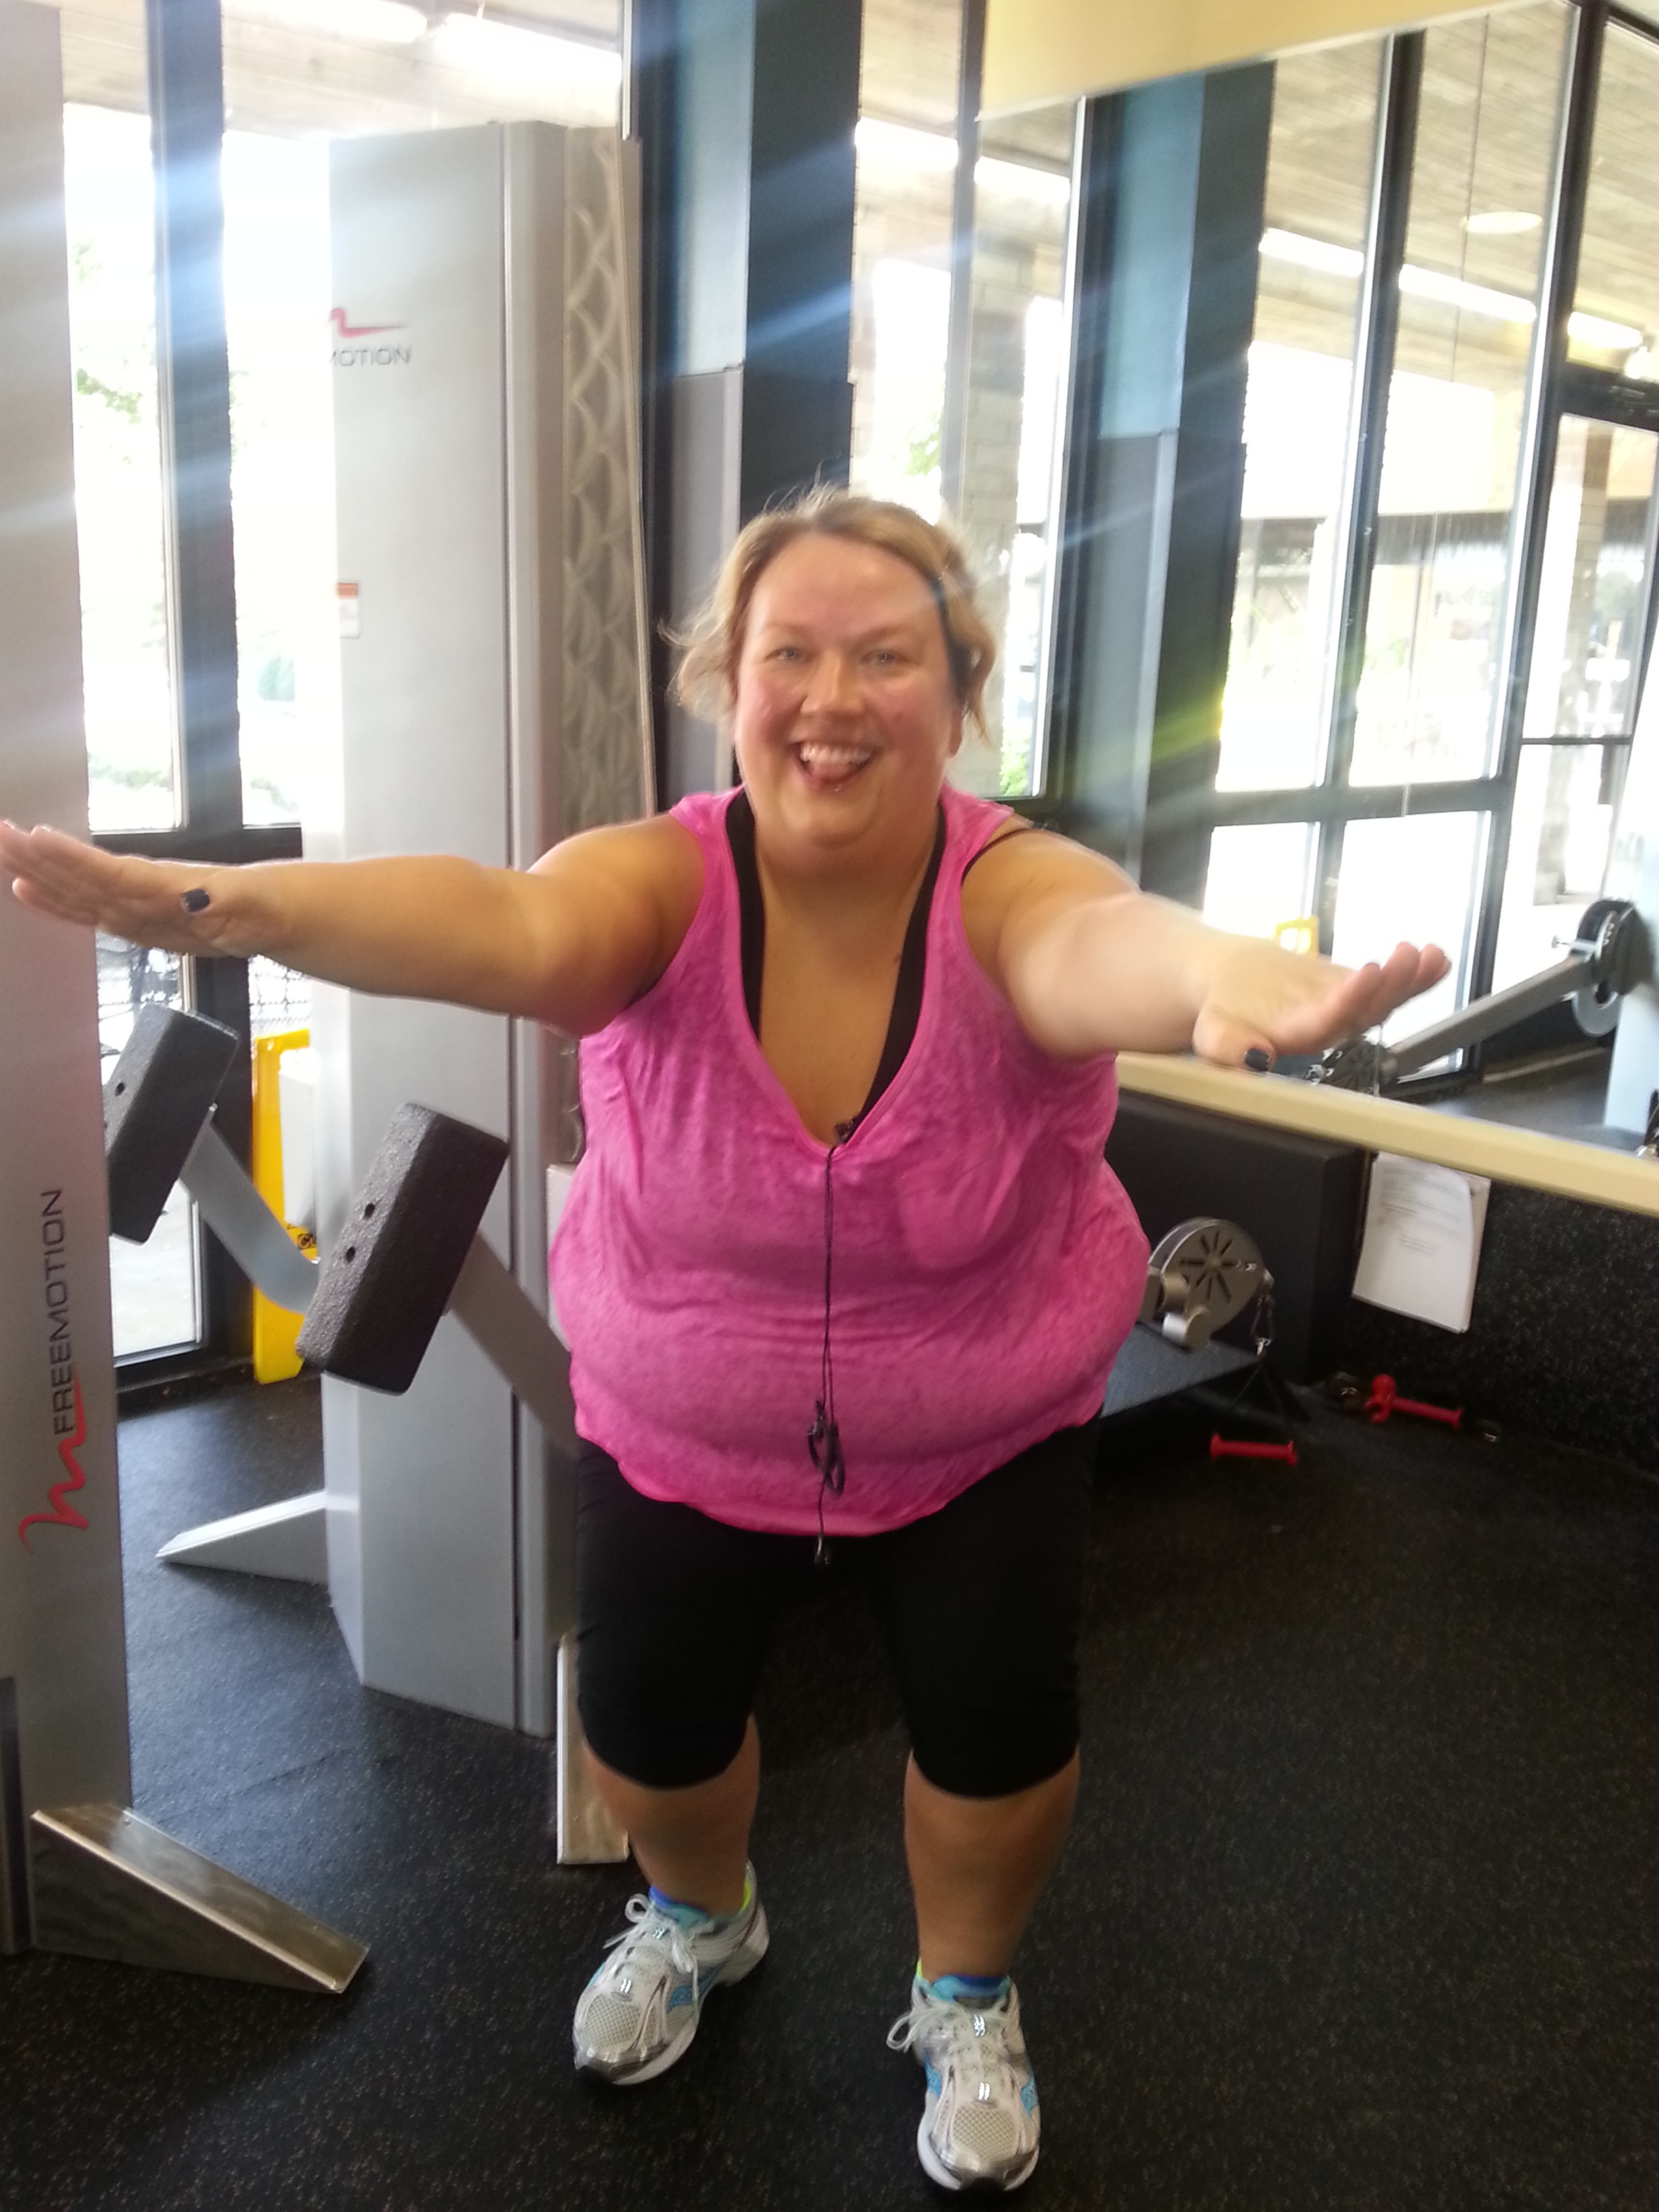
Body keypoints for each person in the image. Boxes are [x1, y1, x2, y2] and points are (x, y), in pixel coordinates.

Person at [0, 489, 1446, 2194]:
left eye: (886, 657)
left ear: (959, 695)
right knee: (645, 1737)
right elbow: (502, 922)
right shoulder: (661, 881)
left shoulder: (1010, 887)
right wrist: (222, 908)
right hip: (685, 1417)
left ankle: (965, 1994)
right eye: (791, 656)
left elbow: (1096, 947)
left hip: (981, 1421)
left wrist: (1219, 977)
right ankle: (701, 1916)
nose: (833, 697)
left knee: (996, 1738)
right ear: (729, 686)